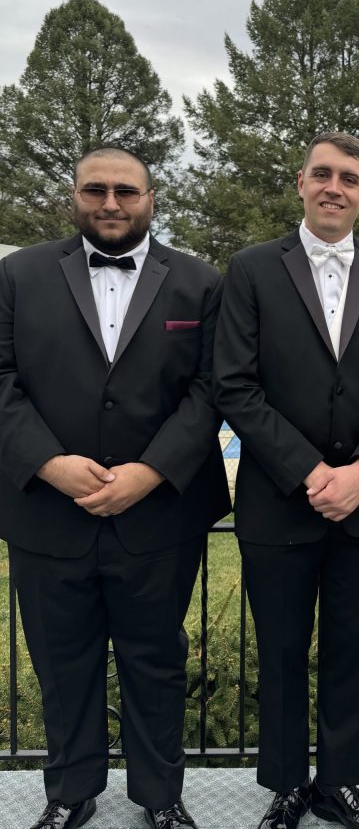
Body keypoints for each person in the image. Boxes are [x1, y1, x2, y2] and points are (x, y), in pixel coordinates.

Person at [0, 147, 231, 829]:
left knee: (156, 662)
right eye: (95, 190)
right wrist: (48, 462)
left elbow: (211, 389)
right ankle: (70, 794)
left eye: (125, 191)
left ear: (152, 197)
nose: (110, 203)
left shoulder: (199, 283)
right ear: (73, 195)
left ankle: (160, 799)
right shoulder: (17, 276)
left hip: (159, 513)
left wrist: (151, 471)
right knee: (61, 660)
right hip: (47, 510)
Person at [213, 132, 359, 829]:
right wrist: (307, 471)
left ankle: (342, 784)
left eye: (348, 177)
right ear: (300, 183)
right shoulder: (251, 269)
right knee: (283, 651)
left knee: (353, 649)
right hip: (278, 502)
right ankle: (287, 785)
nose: (334, 186)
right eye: (322, 174)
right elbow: (234, 384)